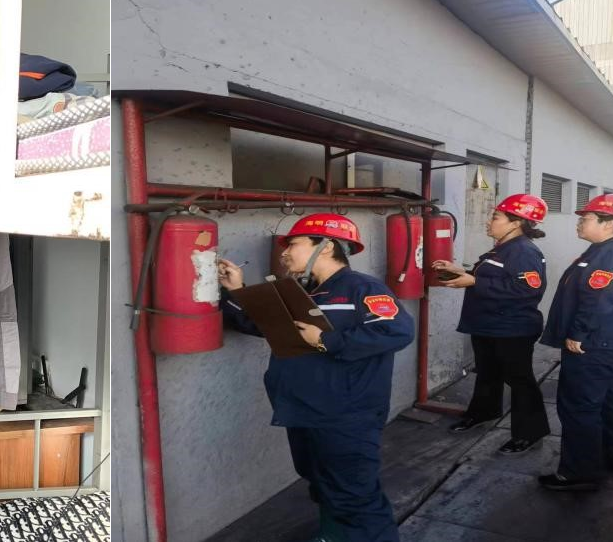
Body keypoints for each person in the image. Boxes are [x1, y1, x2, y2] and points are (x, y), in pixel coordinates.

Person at [219, 213, 415, 542]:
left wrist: (325, 340)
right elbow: (264, 326)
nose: (284, 253)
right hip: (305, 410)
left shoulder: (362, 288)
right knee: (322, 484)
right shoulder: (301, 292)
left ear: (325, 247)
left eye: (293, 244)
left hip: (346, 416)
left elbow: (397, 331)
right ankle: (333, 535)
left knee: (354, 495)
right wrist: (236, 291)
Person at [537, 194, 613, 491]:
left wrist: (578, 334)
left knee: (579, 407)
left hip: (595, 346)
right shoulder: (609, 251)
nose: (579, 223)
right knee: (612, 401)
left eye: (586, 218)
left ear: (608, 223)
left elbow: (597, 299)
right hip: (612, 344)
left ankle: (579, 472)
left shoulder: (610, 255)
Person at [433, 194, 551, 454]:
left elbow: (527, 289)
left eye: (495, 217)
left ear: (516, 223)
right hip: (488, 324)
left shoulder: (524, 251)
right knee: (488, 372)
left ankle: (530, 433)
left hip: (512, 328)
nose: (489, 221)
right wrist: (460, 272)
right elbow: (494, 277)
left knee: (520, 380)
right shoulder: (501, 248)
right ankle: (483, 412)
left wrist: (475, 282)